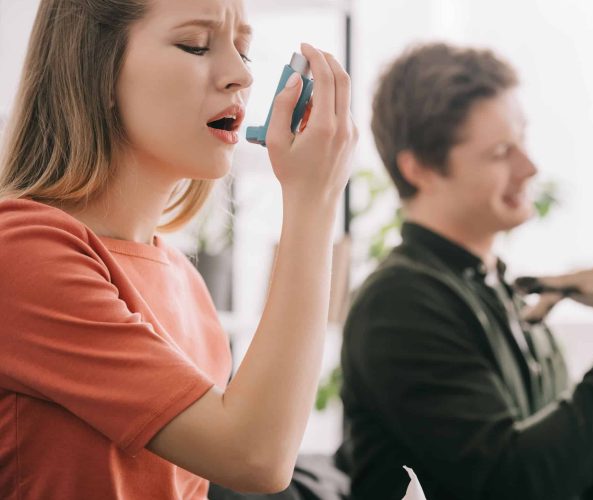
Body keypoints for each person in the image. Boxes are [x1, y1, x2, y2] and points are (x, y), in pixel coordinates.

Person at [336, 43, 593, 500]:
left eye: (522, 140)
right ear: (422, 168)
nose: (530, 167)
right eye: (501, 151)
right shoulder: (399, 305)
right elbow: (513, 484)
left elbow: (582, 483)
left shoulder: (505, 294)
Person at [0, 0, 356, 498]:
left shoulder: (183, 279)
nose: (240, 75)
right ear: (95, 69)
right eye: (195, 44)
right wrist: (312, 202)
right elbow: (254, 457)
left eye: (245, 51)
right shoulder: (20, 252)